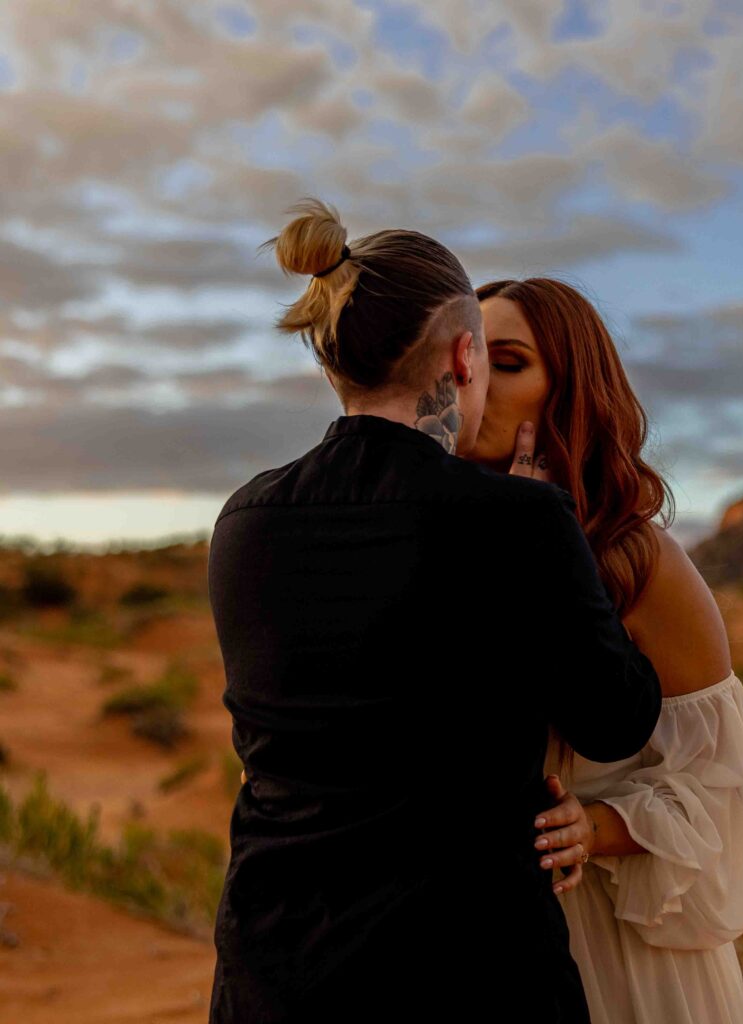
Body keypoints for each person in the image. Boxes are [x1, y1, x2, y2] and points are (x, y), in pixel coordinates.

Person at [207, 199, 663, 1022]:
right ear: (463, 356)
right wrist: (548, 536)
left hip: (272, 973)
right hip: (466, 973)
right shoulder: (516, 520)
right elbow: (615, 717)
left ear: (334, 361)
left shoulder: (243, 519)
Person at [467, 277, 743, 1024]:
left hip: (613, 944)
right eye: (466, 359)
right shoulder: (425, 544)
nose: (474, 382)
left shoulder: (636, 558)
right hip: (469, 938)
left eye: (508, 363)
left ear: (568, 393)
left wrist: (596, 828)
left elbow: (721, 787)